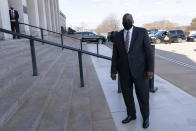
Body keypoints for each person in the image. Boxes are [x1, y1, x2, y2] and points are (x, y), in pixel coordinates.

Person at [111, 13, 153, 129]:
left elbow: (149, 52)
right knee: (127, 95)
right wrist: (113, 71)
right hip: (124, 72)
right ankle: (131, 114)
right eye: (125, 20)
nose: (127, 21)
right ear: (122, 22)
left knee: (143, 96)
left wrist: (150, 69)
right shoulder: (118, 35)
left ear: (133, 20)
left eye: (129, 19)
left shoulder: (142, 32)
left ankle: (146, 118)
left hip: (140, 71)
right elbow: (115, 55)